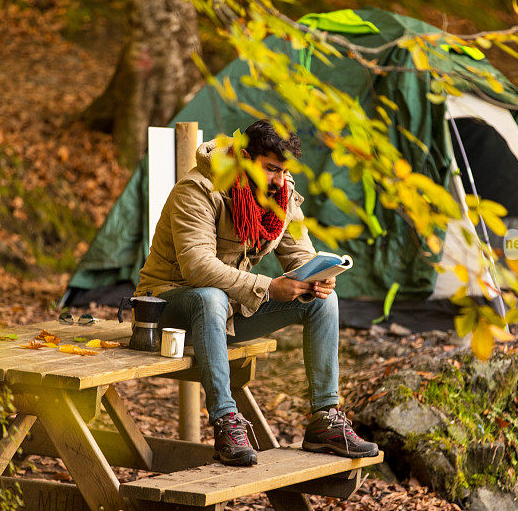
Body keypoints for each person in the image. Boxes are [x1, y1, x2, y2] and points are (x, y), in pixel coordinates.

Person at [135, 120, 378, 466]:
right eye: (271, 169)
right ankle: (225, 422)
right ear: (245, 158)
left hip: (227, 314)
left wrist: (320, 276)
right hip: (165, 310)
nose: (279, 179)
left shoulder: (281, 195)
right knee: (209, 296)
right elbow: (198, 268)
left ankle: (325, 420)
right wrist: (268, 287)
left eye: (284, 171)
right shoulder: (198, 189)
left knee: (323, 303)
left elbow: (299, 254)